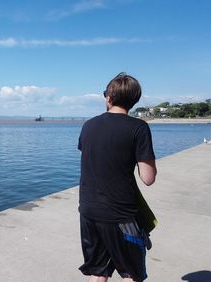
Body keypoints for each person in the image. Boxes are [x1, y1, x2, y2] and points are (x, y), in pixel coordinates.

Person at [77, 72, 157, 282]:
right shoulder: (139, 128)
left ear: (109, 98)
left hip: (88, 210)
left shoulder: (89, 126)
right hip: (121, 215)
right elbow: (148, 178)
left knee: (99, 272)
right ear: (133, 101)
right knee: (130, 273)